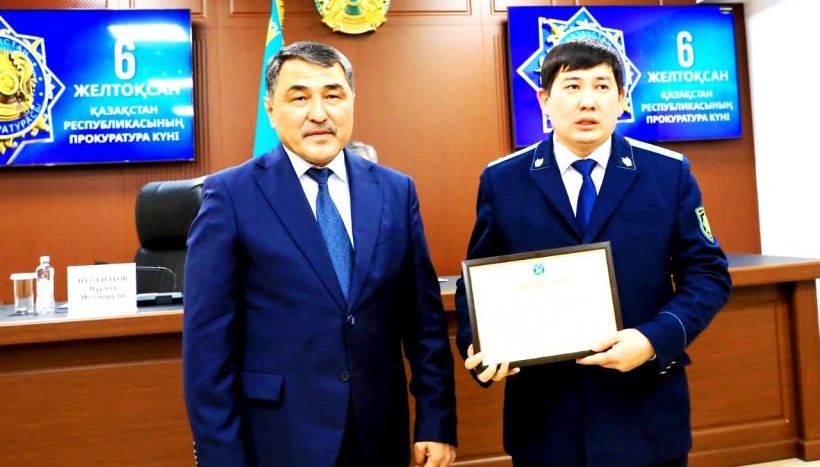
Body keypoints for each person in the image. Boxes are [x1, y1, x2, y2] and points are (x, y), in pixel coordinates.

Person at [455, 37, 731, 467]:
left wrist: (653, 339)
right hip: (546, 420)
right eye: (572, 86)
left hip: (645, 409)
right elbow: (477, 282)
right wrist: (480, 345)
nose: (588, 101)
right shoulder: (503, 180)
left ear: (622, 100)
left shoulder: (667, 172)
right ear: (544, 100)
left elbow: (708, 275)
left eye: (602, 87)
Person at [183, 41, 457, 467]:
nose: (318, 113)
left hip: (379, 433)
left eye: (333, 95)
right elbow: (207, 347)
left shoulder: (395, 190)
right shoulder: (230, 195)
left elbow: (424, 323)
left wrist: (436, 422)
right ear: (271, 110)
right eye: (299, 98)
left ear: (352, 102)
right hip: (278, 438)